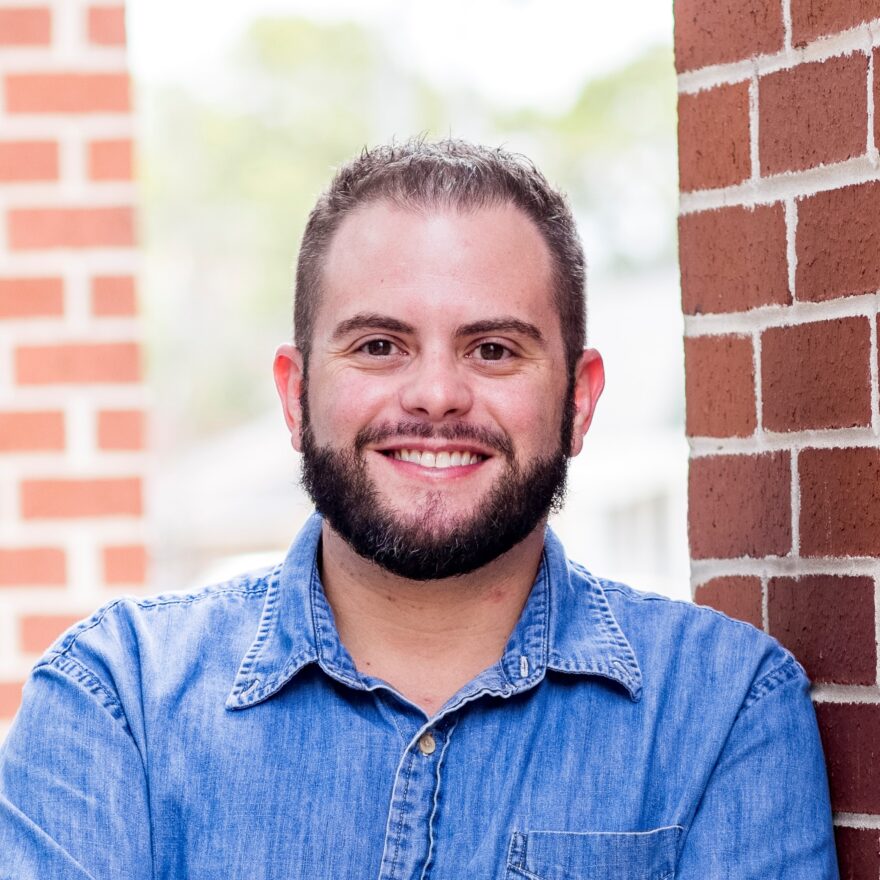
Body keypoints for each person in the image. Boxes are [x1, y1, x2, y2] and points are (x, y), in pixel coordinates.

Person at [0, 139, 837, 879]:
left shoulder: (725, 712)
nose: (436, 395)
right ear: (294, 396)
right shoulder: (119, 701)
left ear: (578, 402)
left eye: (494, 349)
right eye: (379, 346)